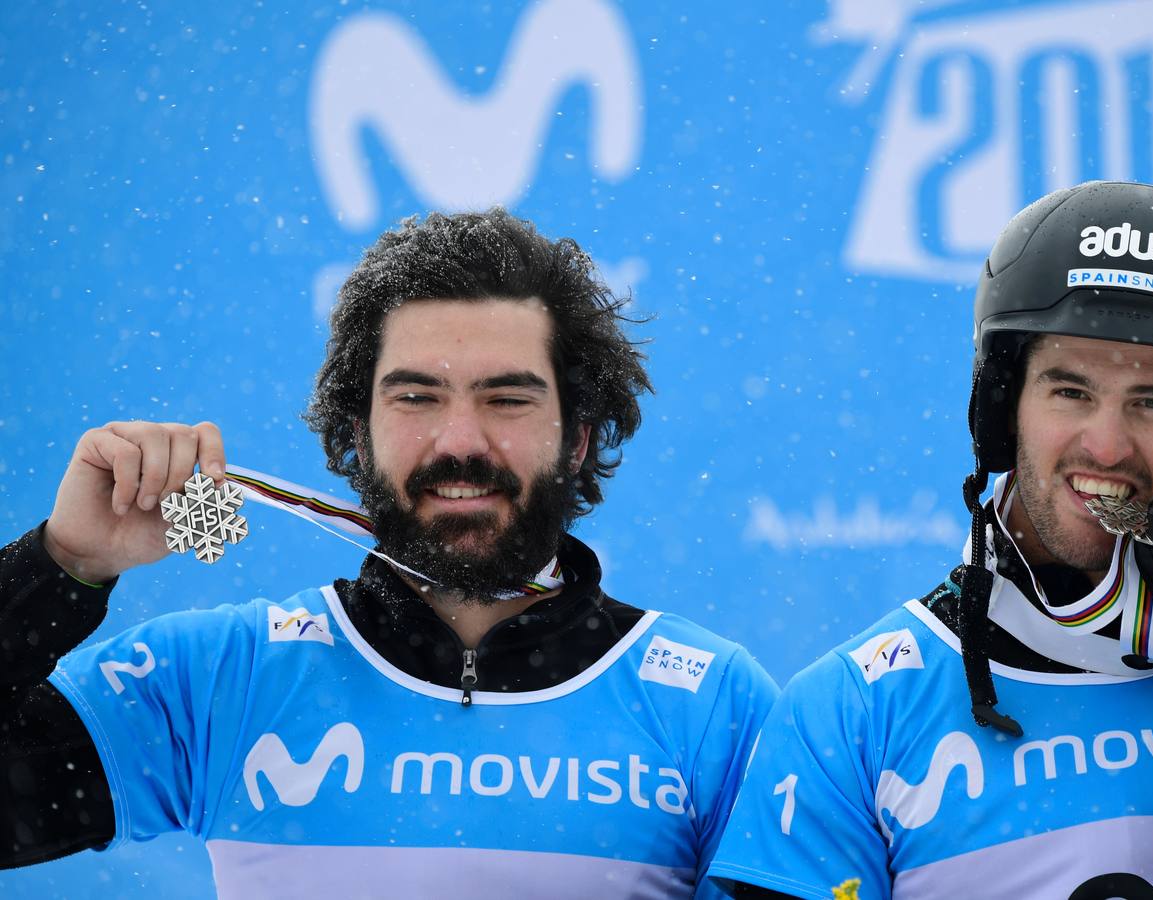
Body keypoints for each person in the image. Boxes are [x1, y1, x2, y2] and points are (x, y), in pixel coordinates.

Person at [0, 209, 777, 896]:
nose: (461, 441)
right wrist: (62, 563)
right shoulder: (224, 679)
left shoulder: (710, 705)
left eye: (507, 398)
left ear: (575, 439)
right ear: (356, 433)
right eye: (415, 398)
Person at [709, 182, 1153, 899]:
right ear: (1001, 410)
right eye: (1069, 391)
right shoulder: (852, 715)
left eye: (1152, 401)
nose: (1105, 447)